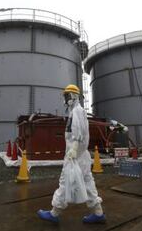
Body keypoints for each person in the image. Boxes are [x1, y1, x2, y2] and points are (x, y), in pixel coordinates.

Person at [37, 84, 105, 224]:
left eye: (67, 95)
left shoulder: (77, 112)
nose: (65, 98)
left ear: (73, 96)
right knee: (87, 182)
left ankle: (54, 213)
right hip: (82, 155)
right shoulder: (76, 111)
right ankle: (98, 213)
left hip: (75, 155)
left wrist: (73, 149)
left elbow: (77, 133)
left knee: (65, 181)